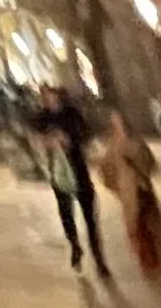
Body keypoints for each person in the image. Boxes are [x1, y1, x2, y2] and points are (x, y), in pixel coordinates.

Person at [33, 89, 109, 279]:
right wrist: (47, 142)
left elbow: (85, 135)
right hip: (59, 174)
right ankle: (75, 245)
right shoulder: (41, 118)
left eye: (49, 97)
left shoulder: (72, 114)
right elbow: (35, 141)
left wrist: (68, 140)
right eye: (44, 98)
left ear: (58, 97)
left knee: (90, 217)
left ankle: (99, 259)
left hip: (78, 171)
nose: (47, 101)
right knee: (66, 214)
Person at [105, 114, 161, 277]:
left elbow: (151, 164)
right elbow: (106, 174)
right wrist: (119, 189)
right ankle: (148, 267)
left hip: (143, 190)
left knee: (153, 228)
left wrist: (138, 167)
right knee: (138, 230)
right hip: (129, 194)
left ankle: (160, 265)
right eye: (115, 124)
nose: (119, 127)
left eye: (120, 123)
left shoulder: (136, 142)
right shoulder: (111, 148)